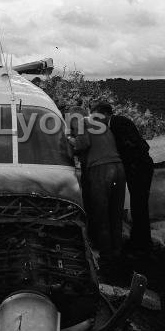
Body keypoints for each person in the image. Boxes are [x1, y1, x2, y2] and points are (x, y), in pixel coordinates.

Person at [90, 101, 154, 254]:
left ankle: (141, 243)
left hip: (139, 168)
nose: (96, 121)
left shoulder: (118, 123)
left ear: (105, 114)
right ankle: (140, 241)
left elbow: (132, 145)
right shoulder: (118, 123)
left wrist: (130, 164)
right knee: (139, 205)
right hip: (138, 167)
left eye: (97, 117)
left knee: (139, 206)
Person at [69, 110, 126, 266]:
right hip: (118, 168)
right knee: (115, 213)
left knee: (100, 212)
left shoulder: (76, 119)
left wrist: (69, 141)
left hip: (101, 169)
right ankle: (117, 250)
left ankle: (105, 254)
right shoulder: (99, 124)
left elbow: (83, 143)